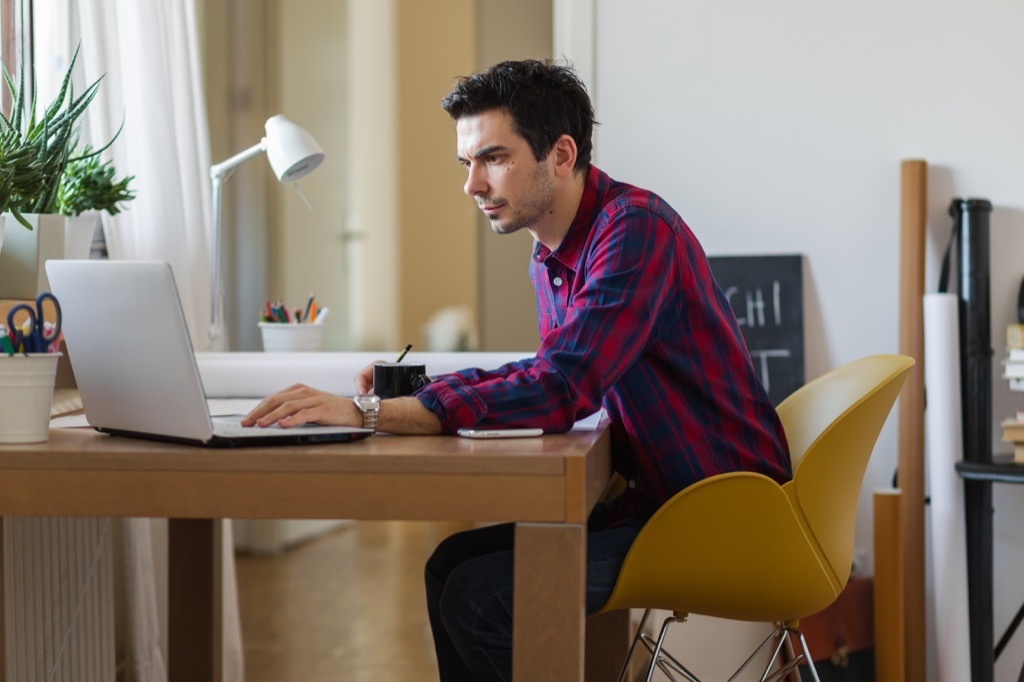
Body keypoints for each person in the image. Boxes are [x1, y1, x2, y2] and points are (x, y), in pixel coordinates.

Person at [242, 59, 792, 682]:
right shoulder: (552, 255)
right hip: (665, 503)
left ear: (560, 154)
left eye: (493, 158)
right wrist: (421, 388)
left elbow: (561, 389)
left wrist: (370, 414)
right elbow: (549, 370)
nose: (472, 185)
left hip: (724, 518)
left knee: (477, 599)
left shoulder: (634, 229)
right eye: (466, 163)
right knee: (449, 566)